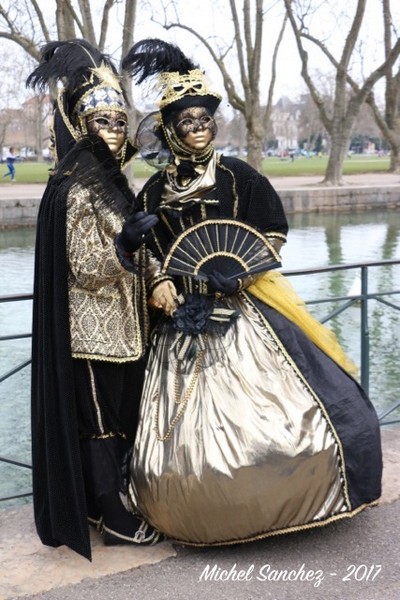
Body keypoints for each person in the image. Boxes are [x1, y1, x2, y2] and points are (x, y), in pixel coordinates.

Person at [123, 39, 382, 545]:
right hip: (183, 322)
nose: (198, 129)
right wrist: (158, 279)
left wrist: (240, 275)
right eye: (187, 122)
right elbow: (150, 250)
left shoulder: (239, 176)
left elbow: (272, 230)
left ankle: (295, 498)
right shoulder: (153, 192)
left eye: (204, 120)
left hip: (246, 309)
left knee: (301, 410)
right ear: (170, 130)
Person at [26, 39, 168, 561]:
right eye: (101, 122)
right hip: (90, 332)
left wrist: (154, 274)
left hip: (125, 328)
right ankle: (115, 518)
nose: (112, 130)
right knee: (101, 426)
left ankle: (107, 502)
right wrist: (126, 245)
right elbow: (86, 268)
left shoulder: (110, 182)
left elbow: (136, 243)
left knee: (119, 419)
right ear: (81, 127)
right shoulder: (76, 188)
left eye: (117, 121)